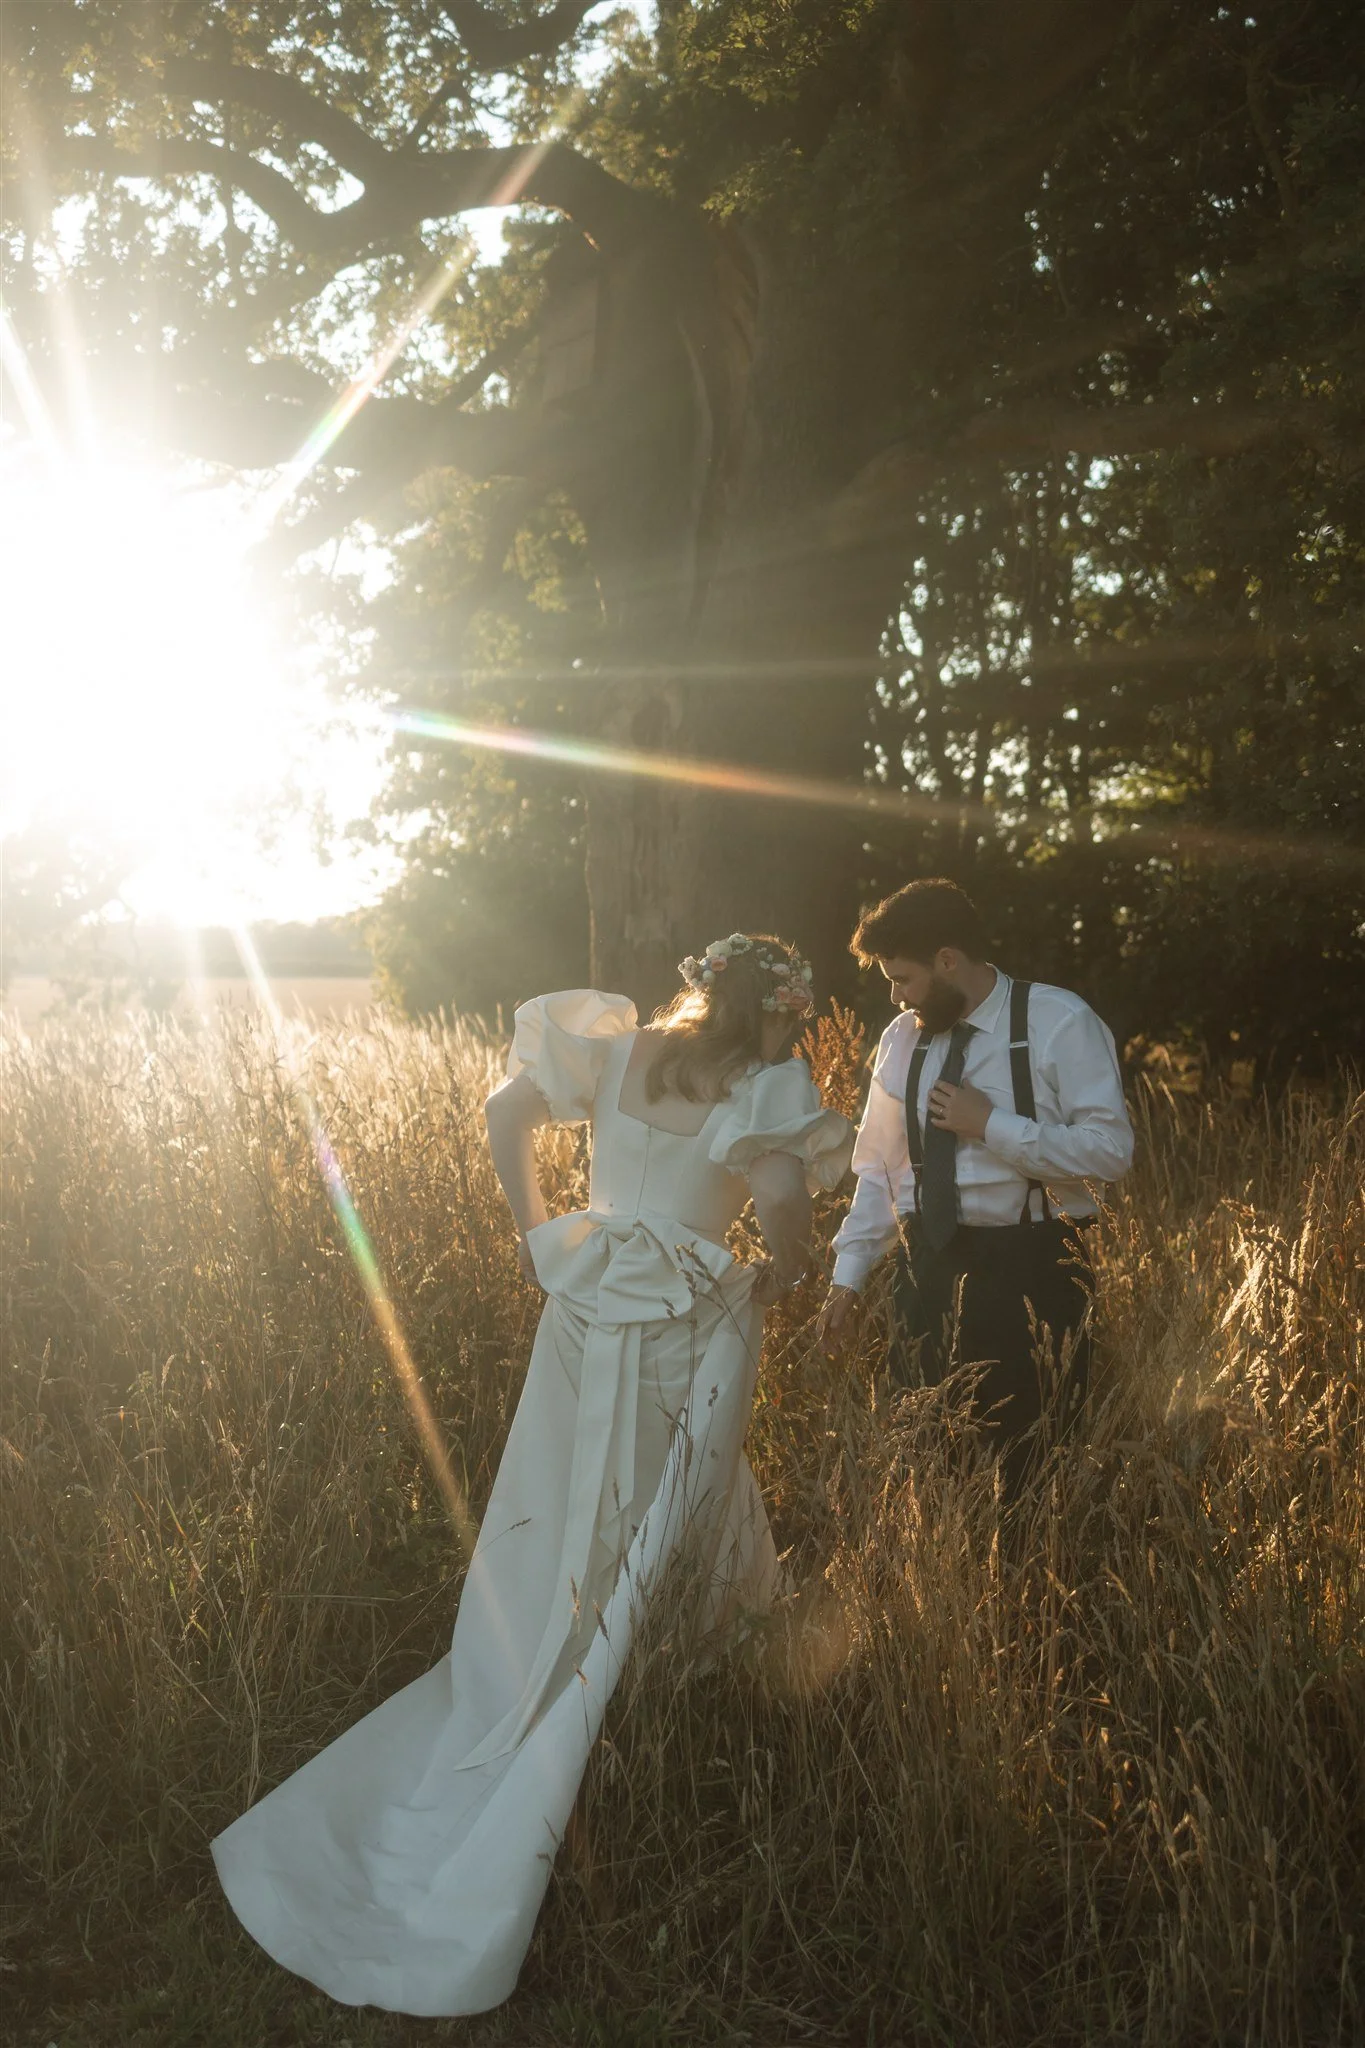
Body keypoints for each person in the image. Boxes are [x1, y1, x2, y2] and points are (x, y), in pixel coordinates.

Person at [213, 934, 852, 2018]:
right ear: (782, 1012)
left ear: (702, 986)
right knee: (676, 1490)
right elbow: (784, 1196)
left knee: (557, 1489)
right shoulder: (762, 1081)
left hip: (591, 1289)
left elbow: (507, 1112)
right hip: (691, 1311)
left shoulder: (617, 1044)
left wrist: (534, 1233)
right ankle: (665, 1679)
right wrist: (783, 1273)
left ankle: (559, 1658)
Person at [817, 879, 1133, 1493]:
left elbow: (1111, 1151)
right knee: (923, 1465)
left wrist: (991, 1125)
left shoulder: (1059, 1020)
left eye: (902, 978)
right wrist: (848, 1279)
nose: (894, 995)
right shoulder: (901, 1038)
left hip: (1036, 1266)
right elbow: (880, 1168)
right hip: (924, 1268)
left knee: (1032, 1466)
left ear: (947, 961)